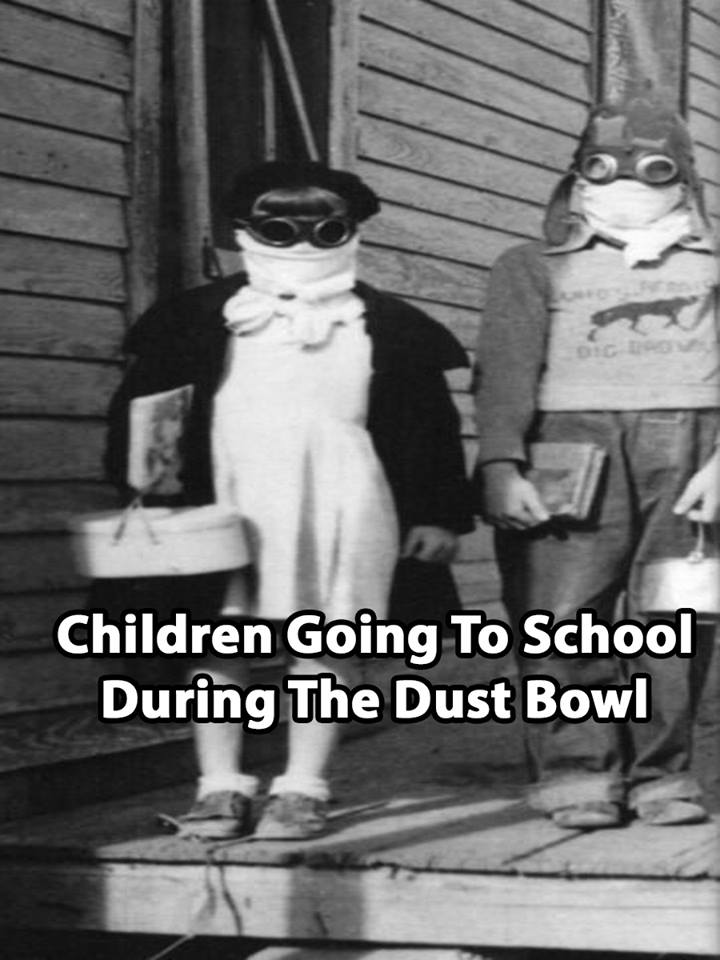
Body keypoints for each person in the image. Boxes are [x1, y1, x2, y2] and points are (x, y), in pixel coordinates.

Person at [103, 160, 473, 840]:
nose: (302, 243)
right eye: (280, 227)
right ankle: (218, 786)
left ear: (352, 233)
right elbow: (142, 413)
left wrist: (437, 514)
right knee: (216, 637)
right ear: (245, 231)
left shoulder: (390, 327)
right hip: (224, 497)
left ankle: (303, 786)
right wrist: (147, 491)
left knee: (329, 639)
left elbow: (430, 428)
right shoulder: (191, 320)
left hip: (346, 497)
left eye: (326, 228)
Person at [474, 97, 719, 829]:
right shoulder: (530, 266)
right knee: (563, 616)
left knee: (675, 615)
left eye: (652, 168)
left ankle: (660, 774)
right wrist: (501, 464)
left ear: (683, 174)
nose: (627, 183)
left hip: (693, 452)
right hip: (568, 445)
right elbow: (506, 370)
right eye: (602, 167)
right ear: (578, 173)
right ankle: (577, 770)